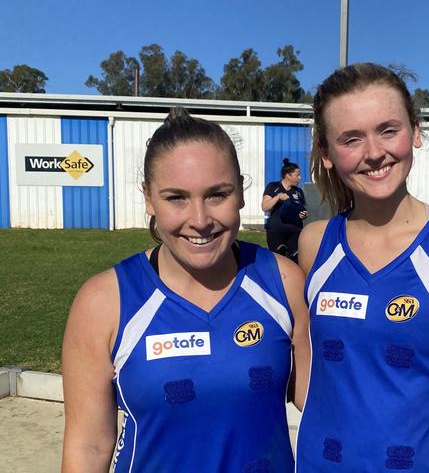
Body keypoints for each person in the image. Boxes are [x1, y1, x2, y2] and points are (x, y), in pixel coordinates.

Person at [61, 108, 310, 472]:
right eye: (176, 197)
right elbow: (87, 448)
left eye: (217, 195)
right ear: (148, 198)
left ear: (240, 192)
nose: (199, 220)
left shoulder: (283, 283)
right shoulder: (104, 302)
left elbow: (328, 404)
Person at [295, 63, 429, 472]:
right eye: (351, 139)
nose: (374, 153)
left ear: (415, 130)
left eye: (388, 129)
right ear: (326, 153)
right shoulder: (314, 244)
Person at [262, 158, 308, 263]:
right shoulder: (273, 187)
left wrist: (304, 214)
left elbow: (303, 210)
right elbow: (265, 207)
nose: (300, 178)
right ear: (288, 175)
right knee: (279, 261)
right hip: (276, 230)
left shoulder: (298, 192)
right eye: (297, 175)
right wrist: (277, 197)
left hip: (295, 231)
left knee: (296, 260)